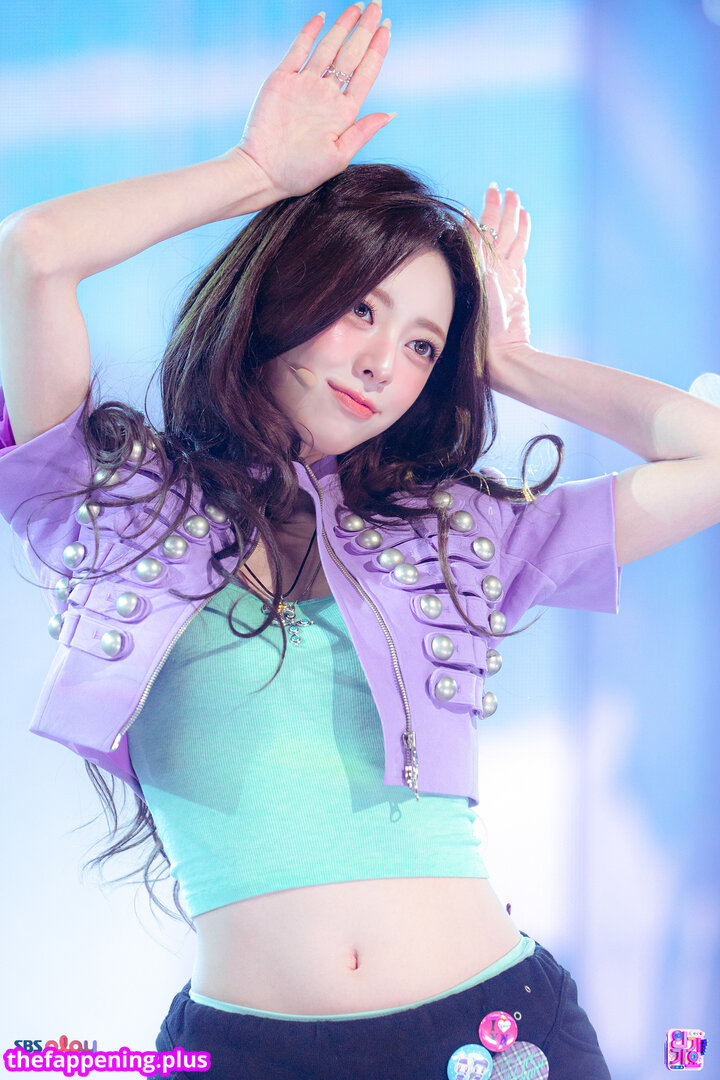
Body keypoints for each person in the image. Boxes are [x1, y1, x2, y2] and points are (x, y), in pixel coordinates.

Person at [1, 3, 719, 1079]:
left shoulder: (461, 533)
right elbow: (34, 254)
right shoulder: (113, 502)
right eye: (363, 310)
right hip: (245, 1051)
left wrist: (511, 361)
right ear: (288, 290)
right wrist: (254, 172)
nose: (386, 363)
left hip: (494, 1033)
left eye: (426, 344)